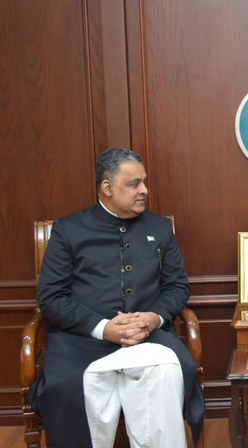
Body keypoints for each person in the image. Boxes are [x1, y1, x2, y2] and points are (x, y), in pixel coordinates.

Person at [29, 148, 204, 448]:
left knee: (168, 372)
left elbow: (177, 286)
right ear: (107, 188)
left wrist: (153, 318)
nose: (144, 190)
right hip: (81, 340)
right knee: (66, 386)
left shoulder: (160, 228)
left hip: (148, 337)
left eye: (144, 182)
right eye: (134, 184)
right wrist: (103, 328)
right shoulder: (68, 230)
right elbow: (52, 297)